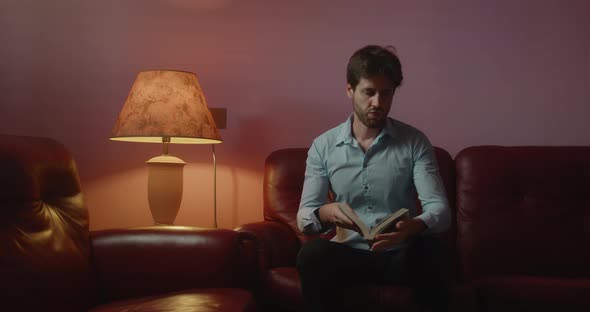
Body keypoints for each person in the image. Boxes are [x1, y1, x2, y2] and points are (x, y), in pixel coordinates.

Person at [296, 45, 451, 312]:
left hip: (399, 255)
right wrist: (324, 213)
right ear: (349, 90)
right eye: (369, 92)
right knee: (312, 254)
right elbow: (304, 217)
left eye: (386, 93)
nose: (378, 103)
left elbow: (440, 210)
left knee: (432, 252)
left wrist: (414, 226)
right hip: (349, 256)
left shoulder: (414, 141)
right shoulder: (323, 146)